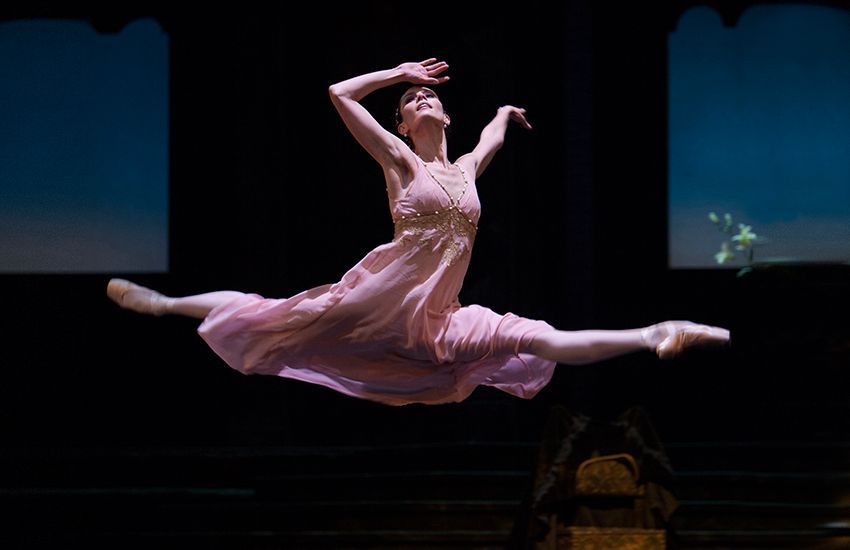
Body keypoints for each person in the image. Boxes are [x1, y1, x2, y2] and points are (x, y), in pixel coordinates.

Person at [106, 58, 730, 406]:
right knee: (265, 314)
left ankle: (655, 334)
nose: (420, 98)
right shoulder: (398, 161)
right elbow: (337, 92)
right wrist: (395, 71)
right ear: (401, 124)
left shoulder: (465, 167)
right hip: (379, 301)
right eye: (410, 100)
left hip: (440, 314)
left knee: (538, 339)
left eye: (427, 95)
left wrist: (504, 114)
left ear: (445, 114)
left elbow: (491, 138)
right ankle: (167, 304)